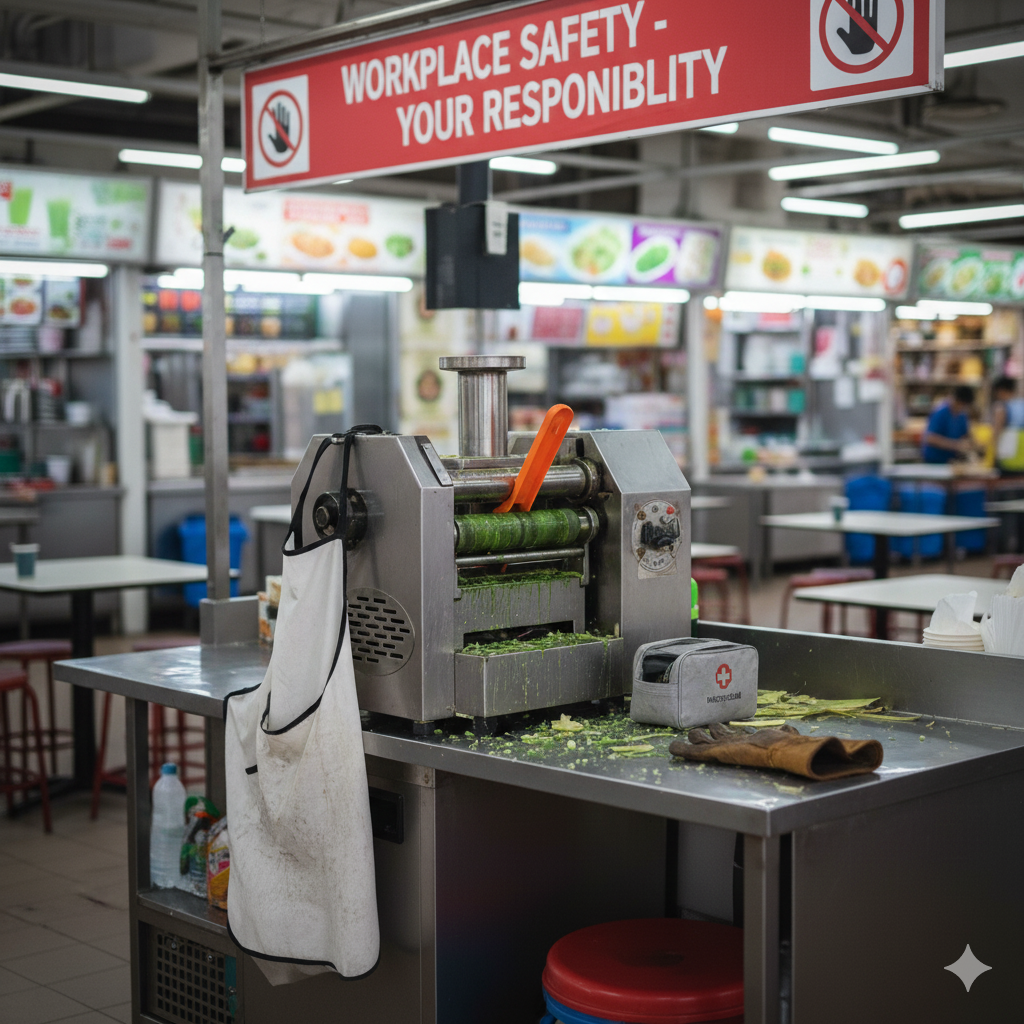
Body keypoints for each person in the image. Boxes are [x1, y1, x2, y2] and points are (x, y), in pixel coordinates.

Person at [921, 386, 980, 464]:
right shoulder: (941, 412)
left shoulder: (962, 415)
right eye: (961, 404)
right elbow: (930, 438)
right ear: (957, 400)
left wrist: (972, 443)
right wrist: (956, 445)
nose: (962, 407)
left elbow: (965, 434)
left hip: (950, 460)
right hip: (934, 460)